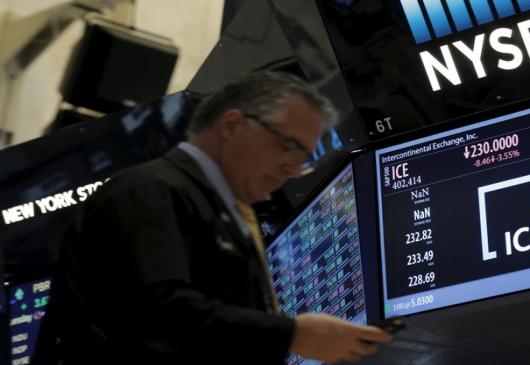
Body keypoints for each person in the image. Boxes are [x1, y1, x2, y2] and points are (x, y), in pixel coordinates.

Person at [41, 72, 392, 364]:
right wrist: (292, 334)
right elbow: (157, 312)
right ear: (233, 124)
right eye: (288, 146)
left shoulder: (220, 211)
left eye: (304, 157)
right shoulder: (150, 189)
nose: (293, 168)